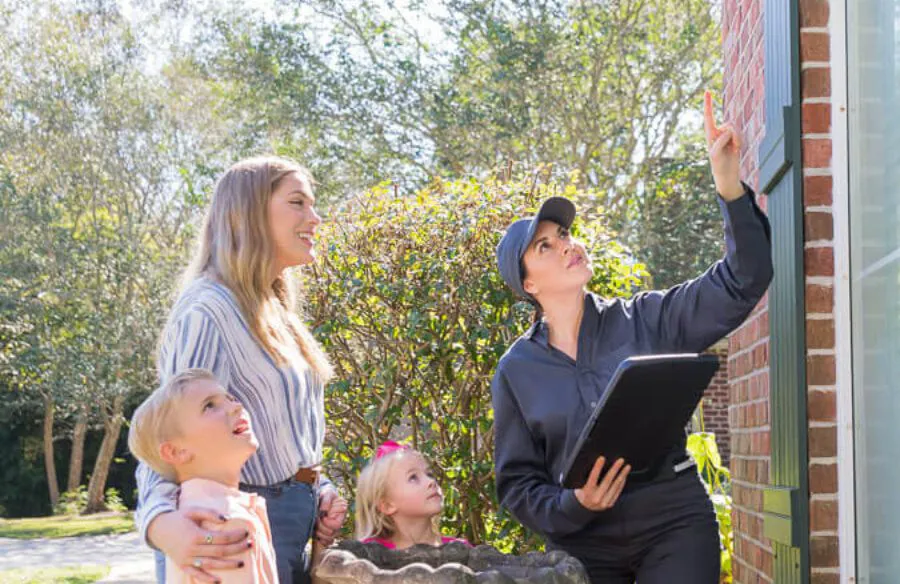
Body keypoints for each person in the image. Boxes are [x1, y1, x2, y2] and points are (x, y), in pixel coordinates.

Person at [490, 91, 773, 583]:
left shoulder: (647, 318)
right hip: (582, 545)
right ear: (528, 285)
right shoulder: (516, 371)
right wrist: (572, 506)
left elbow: (743, 279)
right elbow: (517, 485)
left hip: (673, 522)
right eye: (545, 245)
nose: (567, 246)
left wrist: (728, 187)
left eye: (565, 235)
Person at [135, 156, 347, 584]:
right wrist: (160, 524)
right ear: (250, 214)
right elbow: (169, 436)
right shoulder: (209, 310)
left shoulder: (275, 309)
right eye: (298, 203)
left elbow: (286, 434)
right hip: (224, 532)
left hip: (285, 522)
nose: (315, 218)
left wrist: (318, 489)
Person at [128, 369, 278, 583]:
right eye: (209, 405)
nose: (236, 406)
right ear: (176, 452)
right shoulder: (224, 524)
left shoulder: (216, 512)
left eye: (230, 398)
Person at [354, 441, 470, 549]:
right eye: (413, 478)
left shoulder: (461, 550)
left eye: (429, 474)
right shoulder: (369, 555)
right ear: (387, 505)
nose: (431, 482)